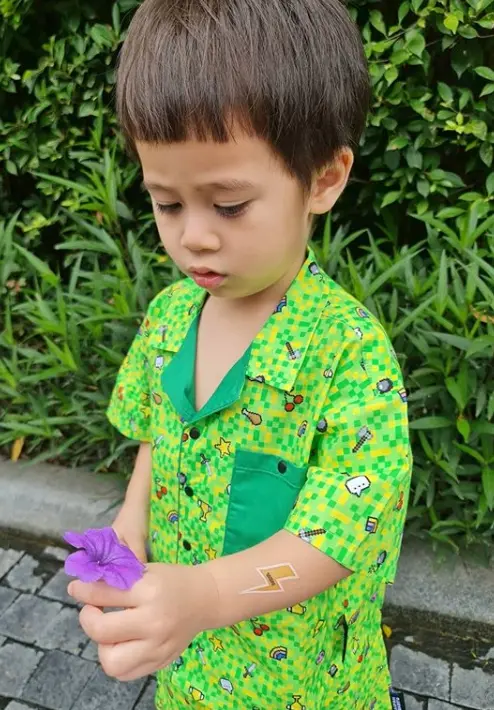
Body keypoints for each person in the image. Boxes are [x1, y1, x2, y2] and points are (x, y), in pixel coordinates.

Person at [67, 1, 412, 708]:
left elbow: (343, 530)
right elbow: (158, 436)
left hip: (306, 684)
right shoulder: (170, 319)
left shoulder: (347, 354)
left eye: (227, 205)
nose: (193, 236)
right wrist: (130, 526)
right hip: (192, 669)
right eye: (167, 203)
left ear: (323, 179)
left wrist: (209, 594)